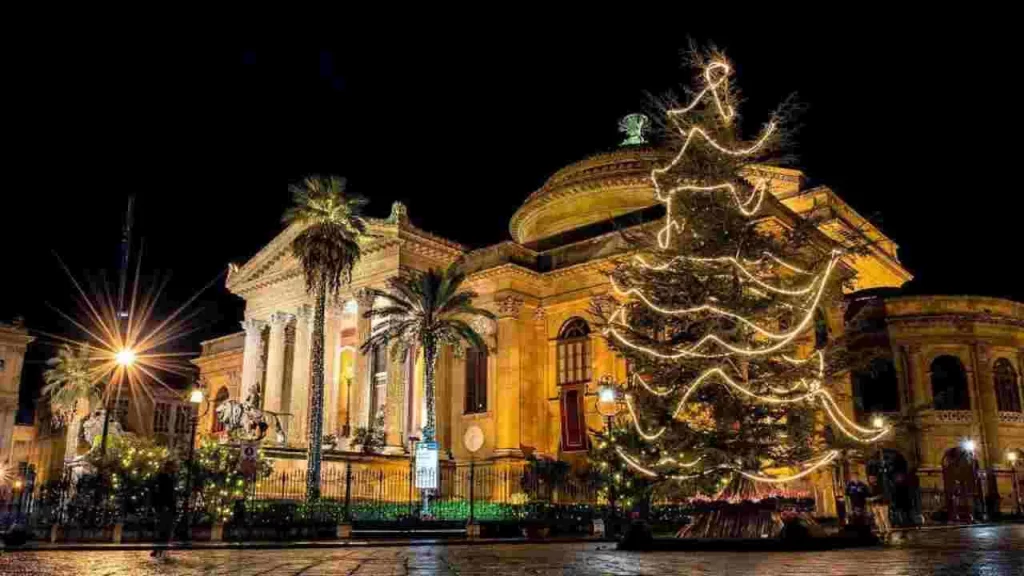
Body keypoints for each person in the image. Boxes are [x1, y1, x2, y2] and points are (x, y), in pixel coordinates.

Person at [151, 460, 177, 559]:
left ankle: (159, 550)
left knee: (163, 529)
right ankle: (159, 550)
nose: (175, 469)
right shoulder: (164, 478)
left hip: (165, 507)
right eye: (173, 467)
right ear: (169, 467)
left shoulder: (166, 478)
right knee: (164, 529)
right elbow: (165, 494)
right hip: (165, 507)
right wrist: (165, 506)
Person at [866, 475, 892, 541]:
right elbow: (868, 495)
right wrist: (869, 500)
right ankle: (882, 531)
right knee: (878, 519)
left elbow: (882, 494)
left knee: (884, 518)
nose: (871, 480)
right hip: (874, 505)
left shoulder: (880, 485)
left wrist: (873, 498)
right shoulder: (869, 487)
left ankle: (888, 530)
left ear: (875, 479)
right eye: (870, 479)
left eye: (872, 478)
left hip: (882, 504)